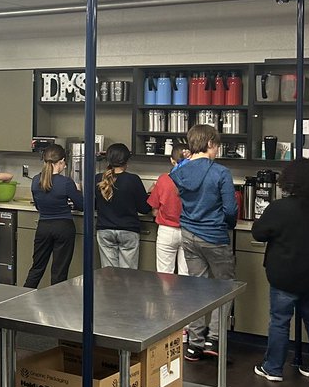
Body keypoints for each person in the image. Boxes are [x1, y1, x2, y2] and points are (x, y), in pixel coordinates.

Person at [252, 159, 309, 383]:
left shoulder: (280, 207)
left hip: (285, 275)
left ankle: (273, 368)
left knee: (280, 321)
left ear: (288, 180)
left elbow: (258, 233)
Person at [171, 124, 238, 362]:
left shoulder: (180, 172)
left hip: (188, 234)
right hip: (214, 235)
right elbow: (230, 209)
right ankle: (215, 339)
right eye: (217, 145)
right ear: (210, 143)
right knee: (224, 287)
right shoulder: (220, 172)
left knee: (196, 289)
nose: (218, 149)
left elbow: (178, 172)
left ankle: (194, 343)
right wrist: (227, 223)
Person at [22, 144, 83, 288]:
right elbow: (81, 206)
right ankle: (56, 305)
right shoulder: (66, 182)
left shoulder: (36, 180)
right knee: (59, 271)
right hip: (63, 227)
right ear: (61, 162)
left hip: (43, 227)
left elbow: (38, 205)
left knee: (37, 267)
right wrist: (78, 191)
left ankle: (23, 296)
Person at [94, 143, 149, 269]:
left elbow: (93, 205)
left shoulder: (98, 179)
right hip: (128, 230)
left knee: (109, 274)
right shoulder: (133, 180)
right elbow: (144, 209)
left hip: (105, 230)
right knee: (128, 275)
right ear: (126, 160)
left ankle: (110, 290)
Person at [148, 140, 191, 275]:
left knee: (164, 275)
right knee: (187, 276)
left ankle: (166, 296)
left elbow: (154, 210)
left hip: (166, 231)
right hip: (189, 230)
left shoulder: (163, 179)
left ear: (172, 160)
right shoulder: (196, 180)